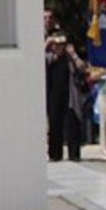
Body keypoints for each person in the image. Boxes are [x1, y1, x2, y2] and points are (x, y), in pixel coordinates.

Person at [45, 33, 89, 161]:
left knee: (72, 123)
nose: (59, 48)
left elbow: (83, 68)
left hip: (70, 95)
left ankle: (74, 154)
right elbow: (36, 63)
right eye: (56, 45)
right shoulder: (49, 58)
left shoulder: (69, 59)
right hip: (53, 95)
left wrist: (74, 55)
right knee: (55, 124)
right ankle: (55, 154)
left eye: (61, 45)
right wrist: (46, 44)